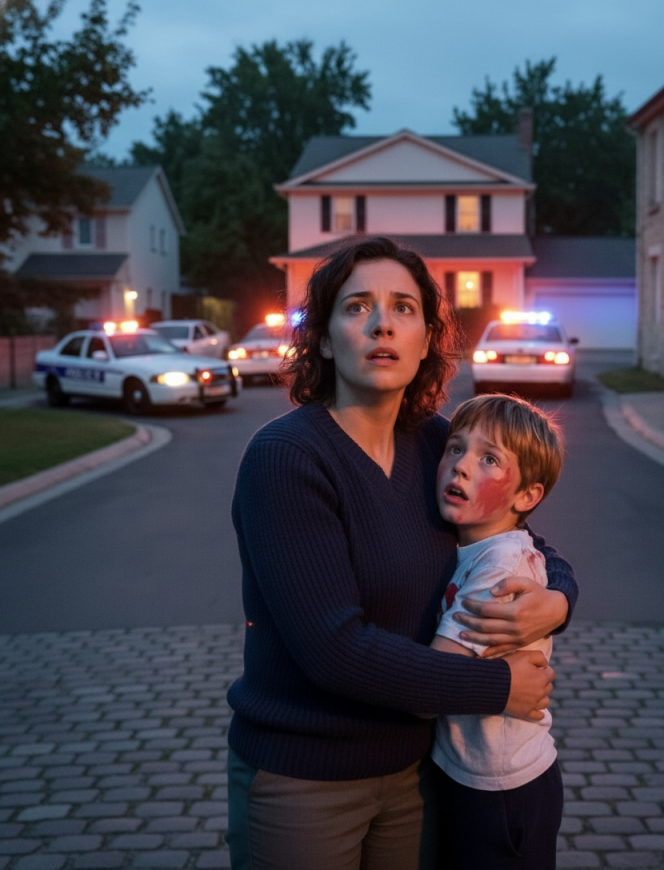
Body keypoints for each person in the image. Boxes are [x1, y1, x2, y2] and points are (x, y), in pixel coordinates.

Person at [226, 236, 578, 870]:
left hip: (419, 775)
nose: (382, 322)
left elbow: (525, 540)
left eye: (404, 308)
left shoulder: (438, 444)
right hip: (307, 779)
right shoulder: (286, 458)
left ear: (425, 340)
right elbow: (335, 649)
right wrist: (497, 684)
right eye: (358, 306)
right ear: (326, 339)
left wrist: (556, 601)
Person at [428, 394, 566, 870]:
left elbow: (435, 676)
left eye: (489, 458)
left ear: (527, 496)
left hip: (504, 790)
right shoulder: (477, 544)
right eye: (455, 448)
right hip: (466, 770)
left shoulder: (501, 566)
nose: (461, 466)